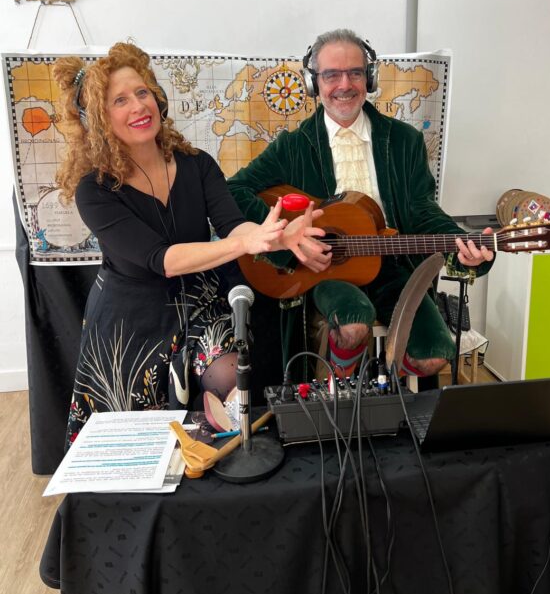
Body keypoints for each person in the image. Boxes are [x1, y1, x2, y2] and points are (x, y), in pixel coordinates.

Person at [54, 42, 321, 445]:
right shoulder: (94, 190)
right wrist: (243, 245)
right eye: (120, 100)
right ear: (98, 120)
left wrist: (267, 237)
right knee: (136, 441)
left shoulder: (197, 163)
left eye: (142, 93)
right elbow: (162, 260)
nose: (138, 106)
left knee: (230, 379)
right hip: (130, 319)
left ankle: (214, 485)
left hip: (200, 301)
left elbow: (232, 225)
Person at [228, 29, 494, 380]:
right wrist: (288, 239)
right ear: (314, 83)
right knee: (353, 324)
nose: (345, 84)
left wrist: (461, 247)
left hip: (392, 266)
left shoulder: (403, 141)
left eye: (355, 72)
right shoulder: (292, 147)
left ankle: (379, 393)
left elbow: (421, 210)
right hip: (324, 270)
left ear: (368, 78)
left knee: (435, 356)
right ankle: (340, 398)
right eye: (331, 75)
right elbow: (233, 190)